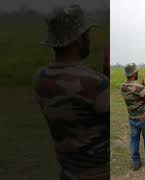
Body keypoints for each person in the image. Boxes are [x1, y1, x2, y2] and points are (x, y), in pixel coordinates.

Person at [32, 5, 109, 180]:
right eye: (87, 34)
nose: (89, 39)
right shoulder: (95, 83)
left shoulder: (39, 78)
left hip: (68, 172)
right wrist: (107, 78)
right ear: (79, 39)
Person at [120, 63, 145, 170]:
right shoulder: (139, 87)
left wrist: (143, 86)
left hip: (132, 118)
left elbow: (135, 92)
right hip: (144, 118)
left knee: (134, 139)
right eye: (136, 71)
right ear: (134, 73)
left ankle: (136, 162)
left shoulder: (122, 86)